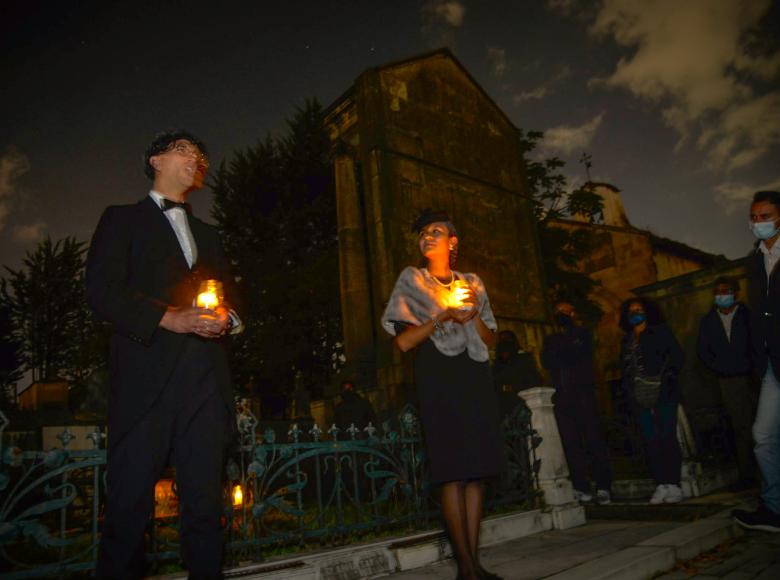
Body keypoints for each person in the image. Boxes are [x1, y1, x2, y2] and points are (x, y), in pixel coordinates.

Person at [86, 130, 242, 578]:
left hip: (205, 384)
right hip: (145, 380)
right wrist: (166, 317)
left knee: (204, 509)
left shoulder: (210, 234)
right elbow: (100, 291)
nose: (198, 159)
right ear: (156, 160)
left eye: (201, 155)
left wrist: (228, 319)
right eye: (185, 151)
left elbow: (232, 296)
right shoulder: (120, 219)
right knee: (128, 512)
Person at [381, 209, 503, 580]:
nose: (427, 237)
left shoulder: (473, 282)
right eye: (422, 234)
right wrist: (442, 317)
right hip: (438, 377)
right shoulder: (411, 280)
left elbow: (491, 339)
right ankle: (465, 569)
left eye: (436, 231)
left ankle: (475, 563)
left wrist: (472, 315)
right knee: (452, 472)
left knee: (476, 473)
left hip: (475, 375)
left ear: (453, 243)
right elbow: (403, 342)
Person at [733, 190, 780, 533]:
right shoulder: (754, 261)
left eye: (765, 216)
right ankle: (774, 507)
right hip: (770, 364)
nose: (758, 222)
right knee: (763, 436)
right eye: (754, 217)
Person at [542, 301, 613, 505]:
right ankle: (581, 486)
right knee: (571, 443)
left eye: (564, 311)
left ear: (572, 313)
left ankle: (603, 485)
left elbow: (577, 354)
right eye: (557, 311)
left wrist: (565, 349)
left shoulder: (582, 334)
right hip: (563, 397)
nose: (560, 314)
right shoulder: (552, 339)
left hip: (583, 394)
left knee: (593, 439)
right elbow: (548, 361)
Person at [619, 297, 684, 505]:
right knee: (650, 439)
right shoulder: (626, 340)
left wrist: (665, 379)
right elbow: (625, 368)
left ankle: (674, 484)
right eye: (631, 311)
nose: (635, 313)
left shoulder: (660, 331)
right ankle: (661, 484)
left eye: (639, 310)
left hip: (664, 391)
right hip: (638, 395)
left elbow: (676, 357)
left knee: (667, 435)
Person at [696, 276, 756, 485]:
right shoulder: (708, 321)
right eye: (718, 292)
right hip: (726, 381)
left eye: (726, 291)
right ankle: (748, 474)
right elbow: (703, 352)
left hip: (753, 378)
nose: (722, 295)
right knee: (739, 428)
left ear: (736, 293)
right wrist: (720, 369)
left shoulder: (748, 316)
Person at [492, 330, 542, 420]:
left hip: (522, 402)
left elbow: (533, 380)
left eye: (507, 339)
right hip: (503, 405)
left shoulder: (524, 360)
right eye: (502, 340)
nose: (504, 343)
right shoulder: (497, 365)